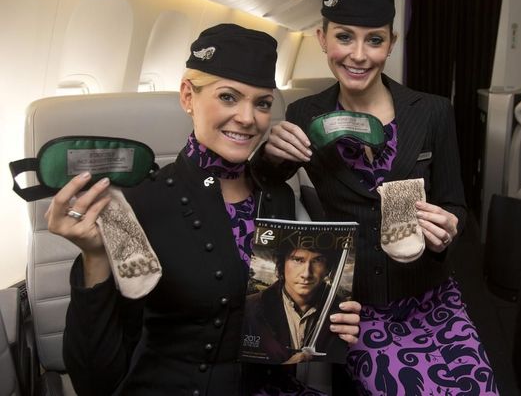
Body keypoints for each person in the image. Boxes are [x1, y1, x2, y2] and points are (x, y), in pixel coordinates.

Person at [45, 23, 361, 396]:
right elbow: (95, 380)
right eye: (229, 97)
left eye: (262, 103)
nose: (248, 118)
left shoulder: (277, 197)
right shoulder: (139, 205)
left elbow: (285, 332)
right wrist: (94, 255)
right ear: (187, 96)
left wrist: (326, 321)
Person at [254, 0, 499, 395]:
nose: (358, 55)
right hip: (355, 306)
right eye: (344, 36)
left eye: (375, 40)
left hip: (429, 295)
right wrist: (270, 156)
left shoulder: (432, 112)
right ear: (322, 38)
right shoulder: (305, 115)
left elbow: (455, 204)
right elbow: (265, 187)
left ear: (391, 44)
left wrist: (449, 231)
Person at [243, 245, 346, 364]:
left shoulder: (343, 312)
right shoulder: (249, 308)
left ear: (328, 268)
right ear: (282, 263)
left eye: (317, 260)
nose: (306, 274)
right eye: (298, 260)